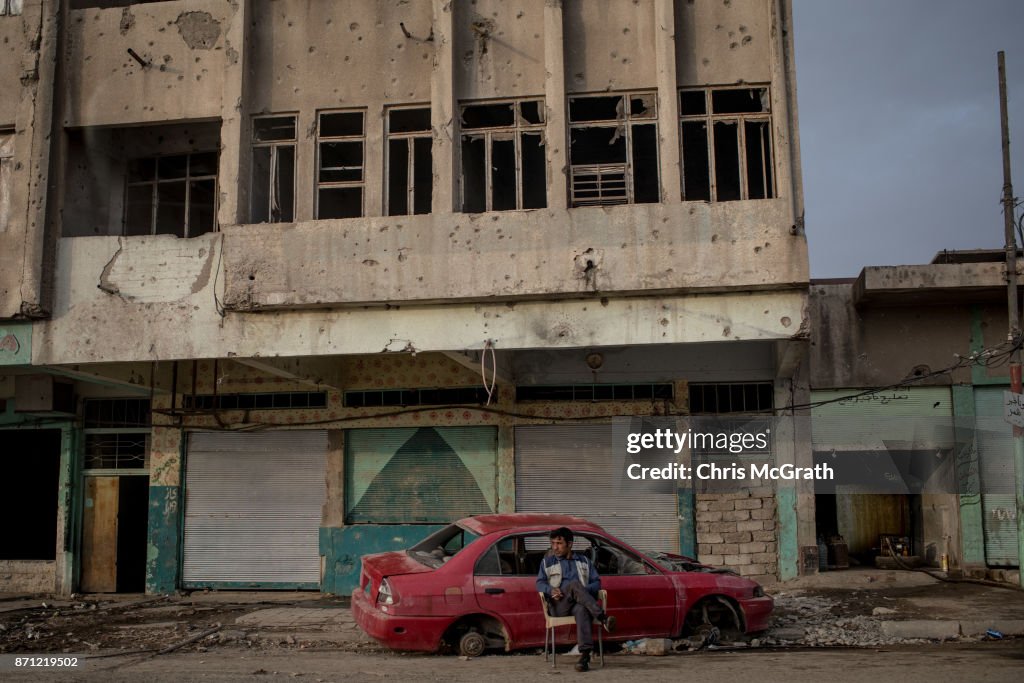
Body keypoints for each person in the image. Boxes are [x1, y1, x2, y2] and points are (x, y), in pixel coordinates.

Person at [536, 526, 616, 672]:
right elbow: (539, 583)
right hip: (558, 605)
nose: (555, 547)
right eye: (553, 543)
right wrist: (550, 590)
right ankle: (603, 618)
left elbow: (597, 583)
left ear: (570, 544)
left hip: (579, 603)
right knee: (574, 585)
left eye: (559, 543)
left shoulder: (584, 561)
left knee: (581, 609)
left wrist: (583, 591)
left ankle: (584, 657)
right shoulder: (547, 562)